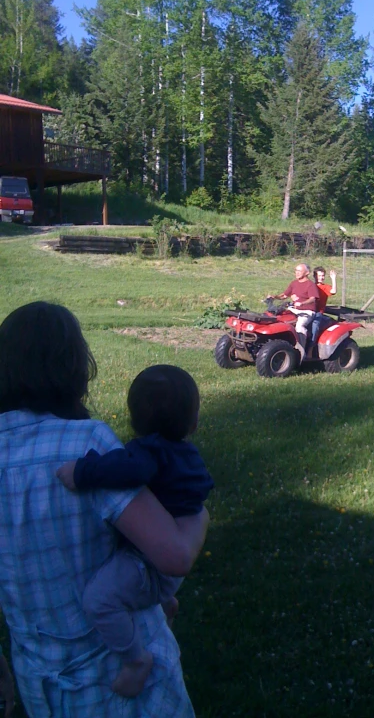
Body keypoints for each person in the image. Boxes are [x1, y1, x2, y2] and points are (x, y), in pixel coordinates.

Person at [0, 302, 209, 717]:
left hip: (41, 683)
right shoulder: (85, 445)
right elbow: (174, 554)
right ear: (73, 367)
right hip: (122, 687)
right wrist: (199, 516)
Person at [57, 364, 214, 698]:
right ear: (194, 422)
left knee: (99, 600)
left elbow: (128, 469)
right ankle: (165, 602)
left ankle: (135, 661)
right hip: (172, 556)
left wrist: (82, 472)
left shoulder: (149, 452)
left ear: (134, 420)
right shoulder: (187, 454)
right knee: (140, 584)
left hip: (151, 562)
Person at [267, 263, 319, 359]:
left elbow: (313, 299)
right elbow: (284, 295)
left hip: (307, 311)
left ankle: (301, 353)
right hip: (294, 309)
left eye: (299, 271)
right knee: (277, 317)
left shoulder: (310, 285)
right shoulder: (294, 283)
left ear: (307, 273)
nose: (297, 272)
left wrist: (302, 303)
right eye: (296, 270)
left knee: (300, 325)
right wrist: (274, 297)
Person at [311, 267, 337, 343]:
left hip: (318, 312)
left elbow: (333, 291)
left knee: (315, 325)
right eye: (319, 276)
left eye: (323, 276)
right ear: (314, 276)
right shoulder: (311, 285)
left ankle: (311, 347)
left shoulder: (325, 287)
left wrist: (333, 279)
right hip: (309, 310)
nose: (321, 278)